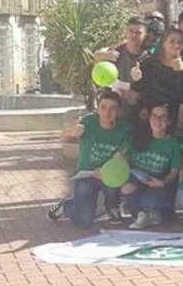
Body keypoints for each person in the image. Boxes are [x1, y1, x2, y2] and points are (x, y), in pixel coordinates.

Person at [51, 90, 132, 227]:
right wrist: (70, 131)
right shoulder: (88, 123)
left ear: (119, 112)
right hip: (87, 174)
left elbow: (125, 153)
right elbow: (65, 138)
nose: (107, 112)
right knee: (83, 221)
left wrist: (120, 158)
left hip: (111, 175)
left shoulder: (126, 129)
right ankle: (66, 206)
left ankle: (112, 207)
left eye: (113, 108)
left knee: (115, 186)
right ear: (98, 109)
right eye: (104, 107)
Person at [123, 104, 181, 229]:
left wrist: (163, 182)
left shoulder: (173, 144)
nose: (158, 120)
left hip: (157, 183)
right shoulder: (138, 137)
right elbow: (125, 158)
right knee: (126, 186)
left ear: (169, 121)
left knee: (149, 201)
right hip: (137, 180)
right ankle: (143, 214)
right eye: (154, 116)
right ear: (149, 118)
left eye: (163, 117)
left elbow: (174, 171)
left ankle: (149, 211)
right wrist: (124, 180)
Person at [131, 27, 183, 132]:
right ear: (163, 43)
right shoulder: (149, 63)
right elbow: (139, 89)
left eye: (179, 42)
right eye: (172, 41)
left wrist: (180, 125)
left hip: (171, 119)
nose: (176, 45)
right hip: (147, 115)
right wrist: (136, 78)